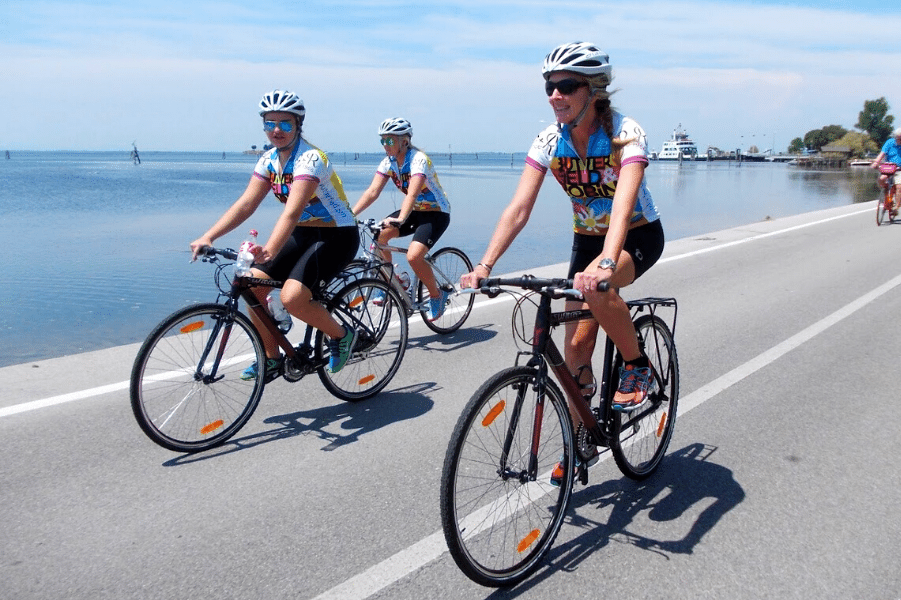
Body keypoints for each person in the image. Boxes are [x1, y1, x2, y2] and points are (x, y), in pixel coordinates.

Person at [459, 42, 665, 483]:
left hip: (636, 234)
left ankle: (636, 365)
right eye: (549, 86)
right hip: (586, 239)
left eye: (566, 85)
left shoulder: (625, 134)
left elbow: (624, 207)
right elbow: (519, 209)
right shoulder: (549, 140)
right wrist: (484, 265)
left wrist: (607, 263)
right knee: (573, 349)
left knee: (602, 289)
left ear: (594, 91)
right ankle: (579, 442)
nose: (554, 94)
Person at [190, 90, 360, 380]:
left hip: (337, 235)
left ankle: (342, 335)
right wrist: (209, 236)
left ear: (298, 125)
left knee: (294, 298)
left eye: (285, 123)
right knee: (252, 286)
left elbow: (291, 212)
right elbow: (246, 204)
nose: (277, 130)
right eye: (270, 124)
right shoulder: (269, 160)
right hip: (303, 234)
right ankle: (271, 359)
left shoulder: (310, 159)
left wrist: (269, 248)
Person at [351, 118, 452, 320]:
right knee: (379, 238)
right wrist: (350, 216)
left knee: (414, 256)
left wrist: (400, 219)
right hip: (414, 211)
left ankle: (436, 294)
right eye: (383, 141)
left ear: (404, 141)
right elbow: (372, 192)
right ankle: (392, 281)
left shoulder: (418, 160)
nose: (385, 146)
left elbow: (413, 194)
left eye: (390, 141)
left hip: (436, 213)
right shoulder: (388, 163)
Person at [871, 127, 901, 217]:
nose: (899, 140)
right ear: (895, 137)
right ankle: (886, 191)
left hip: (900, 167)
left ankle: (896, 208)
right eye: (897, 138)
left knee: (900, 186)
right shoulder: (889, 142)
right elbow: (881, 154)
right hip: (889, 166)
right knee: (882, 179)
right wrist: (876, 162)